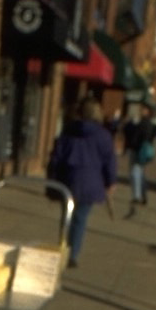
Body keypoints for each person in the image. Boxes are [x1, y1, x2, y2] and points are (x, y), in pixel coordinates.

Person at [47, 97, 117, 268]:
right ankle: (73, 253)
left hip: (68, 180)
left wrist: (52, 180)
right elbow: (110, 162)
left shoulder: (68, 132)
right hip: (91, 183)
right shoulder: (103, 136)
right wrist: (110, 182)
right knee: (80, 218)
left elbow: (56, 158)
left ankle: (63, 247)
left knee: (67, 217)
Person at [124, 102, 156, 214]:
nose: (141, 111)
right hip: (137, 149)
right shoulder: (142, 122)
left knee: (135, 172)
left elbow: (141, 136)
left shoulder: (145, 123)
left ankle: (137, 195)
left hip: (139, 150)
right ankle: (142, 195)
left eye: (144, 109)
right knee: (139, 173)